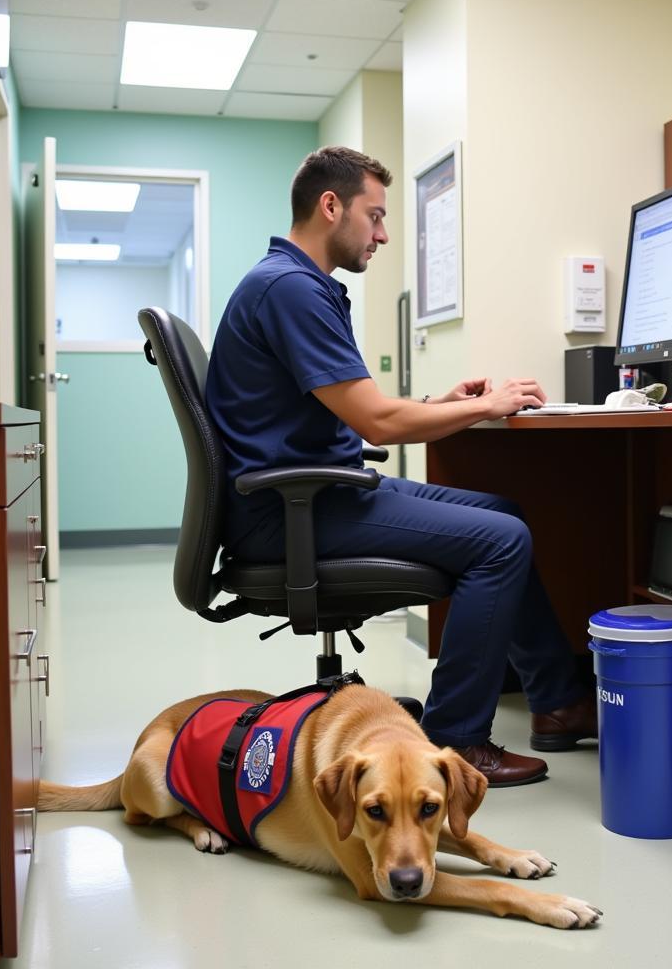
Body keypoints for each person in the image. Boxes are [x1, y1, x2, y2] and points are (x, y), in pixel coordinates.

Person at [205, 146, 596, 787]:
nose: (383, 235)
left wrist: (439, 405)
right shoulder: (291, 290)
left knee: (505, 514)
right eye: (376, 216)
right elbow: (377, 424)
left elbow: (356, 407)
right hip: (293, 514)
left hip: (312, 498)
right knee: (502, 543)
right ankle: (456, 742)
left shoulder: (294, 284)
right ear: (331, 206)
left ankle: (557, 700)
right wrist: (487, 407)